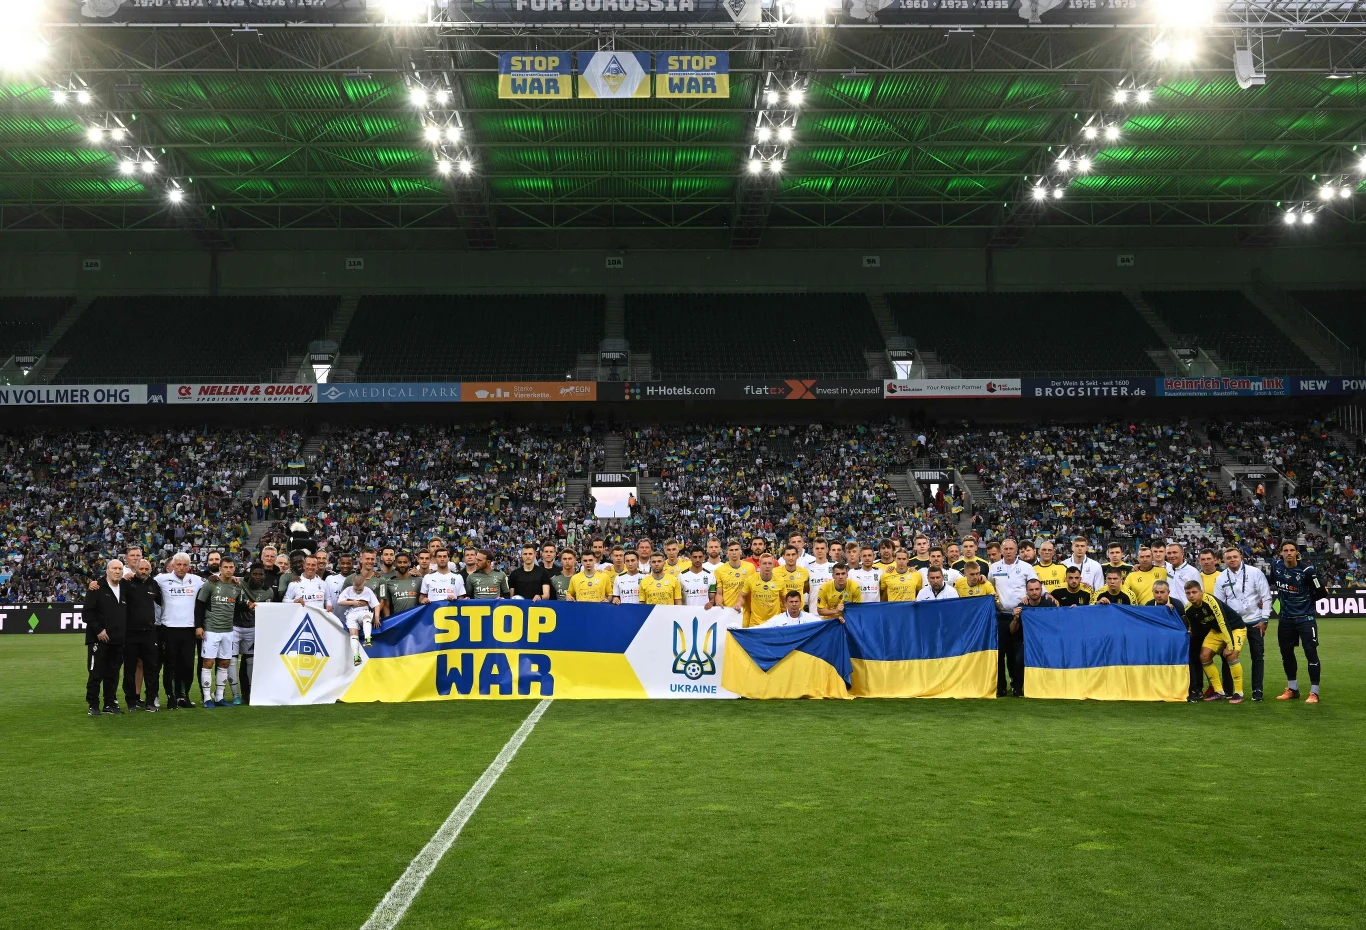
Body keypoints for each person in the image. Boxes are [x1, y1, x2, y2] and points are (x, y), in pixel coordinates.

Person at [1271, 541, 1325, 703]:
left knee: (1311, 653)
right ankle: (1292, 689)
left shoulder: (1308, 571)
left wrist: (1307, 602)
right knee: (1286, 654)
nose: (1288, 553)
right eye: (1285, 550)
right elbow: (1272, 583)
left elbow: (1322, 592)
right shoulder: (1277, 567)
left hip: (1305, 619)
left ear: (1297, 553)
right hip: (1285, 619)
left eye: (1292, 550)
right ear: (1280, 553)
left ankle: (1314, 692)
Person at [1218, 546, 1271, 701]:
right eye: (1229, 558)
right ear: (1224, 560)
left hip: (1254, 621)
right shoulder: (1221, 578)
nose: (1232, 560)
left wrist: (1265, 619)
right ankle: (1229, 690)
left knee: (1257, 656)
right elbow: (1219, 603)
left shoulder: (1255, 573)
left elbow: (1266, 597)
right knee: (1229, 655)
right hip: (1233, 624)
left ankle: (1257, 690)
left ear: (1241, 557)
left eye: (1235, 556)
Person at [154, 553, 204, 708]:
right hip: (169, 628)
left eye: (185, 565)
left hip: (189, 629)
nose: (182, 568)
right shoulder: (161, 579)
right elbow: (144, 583)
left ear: (189, 566)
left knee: (187, 665)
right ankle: (171, 697)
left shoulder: (196, 580)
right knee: (170, 665)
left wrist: (236, 579)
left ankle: (184, 696)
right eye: (179, 565)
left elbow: (214, 585)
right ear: (173, 566)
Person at [1182, 581, 1244, 704]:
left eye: (1194, 592)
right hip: (1216, 631)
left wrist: (1229, 645)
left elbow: (1223, 622)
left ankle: (1239, 692)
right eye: (1188, 593)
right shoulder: (1188, 609)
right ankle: (1219, 691)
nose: (1191, 595)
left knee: (1231, 655)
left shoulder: (1210, 601)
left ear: (1201, 592)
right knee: (1204, 656)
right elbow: (1194, 628)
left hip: (1235, 628)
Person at [195, 557, 243, 708]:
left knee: (224, 663)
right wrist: (198, 626)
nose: (228, 570)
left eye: (231, 567)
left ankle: (219, 697)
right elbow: (200, 604)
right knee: (208, 662)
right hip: (211, 629)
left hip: (228, 630)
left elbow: (239, 605)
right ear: (220, 568)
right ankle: (207, 698)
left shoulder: (237, 586)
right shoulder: (211, 583)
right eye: (226, 567)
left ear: (234, 568)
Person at [85, 559, 128, 716]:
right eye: (114, 568)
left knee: (113, 674)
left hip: (118, 640)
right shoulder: (96, 588)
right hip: (98, 639)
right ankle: (93, 705)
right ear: (107, 571)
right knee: (96, 673)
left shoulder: (124, 587)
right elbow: (87, 613)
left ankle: (110, 703)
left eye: (120, 569)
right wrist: (99, 630)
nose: (117, 571)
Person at [1000, 579, 1055, 697]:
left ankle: (1051, 686)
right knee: (1019, 658)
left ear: (1041, 590)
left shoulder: (1050, 605)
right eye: (1031, 590)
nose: (1034, 592)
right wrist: (1015, 618)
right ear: (1026, 591)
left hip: (1047, 641)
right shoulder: (1022, 607)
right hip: (1028, 642)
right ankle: (1017, 688)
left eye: (1037, 589)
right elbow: (1012, 630)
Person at [122, 559, 163, 712]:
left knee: (152, 668)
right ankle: (131, 701)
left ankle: (151, 701)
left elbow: (162, 601)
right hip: (130, 633)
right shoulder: (127, 582)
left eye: (147, 569)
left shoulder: (153, 584)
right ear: (136, 569)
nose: (144, 571)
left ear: (150, 570)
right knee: (130, 668)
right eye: (141, 569)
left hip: (150, 633)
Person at [238, 562, 274, 703]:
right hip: (236, 626)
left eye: (260, 574)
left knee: (249, 661)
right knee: (229, 661)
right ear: (249, 574)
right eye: (255, 574)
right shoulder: (239, 582)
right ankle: (229, 693)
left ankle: (248, 693)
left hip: (255, 628)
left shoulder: (268, 591)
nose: (258, 577)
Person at [336, 574, 381, 662]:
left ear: (364, 584)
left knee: (367, 617)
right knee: (353, 633)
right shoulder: (348, 590)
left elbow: (376, 604)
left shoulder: (368, 591)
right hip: (351, 613)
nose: (357, 591)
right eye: (355, 589)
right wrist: (354, 602)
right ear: (352, 584)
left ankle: (368, 638)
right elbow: (340, 602)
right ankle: (356, 656)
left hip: (363, 611)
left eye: (360, 589)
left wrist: (376, 617)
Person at [739, 554, 783, 627]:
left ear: (773, 565)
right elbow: (742, 596)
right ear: (759, 564)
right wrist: (738, 604)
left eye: (770, 563)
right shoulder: (750, 579)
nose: (767, 566)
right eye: (764, 563)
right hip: (756, 623)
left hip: (775, 623)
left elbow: (785, 600)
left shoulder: (780, 580)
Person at [712, 540, 753, 611]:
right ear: (727, 552)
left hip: (745, 611)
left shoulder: (750, 567)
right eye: (731, 550)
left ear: (741, 552)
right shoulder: (719, 570)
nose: (734, 553)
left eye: (736, 550)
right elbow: (719, 593)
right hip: (728, 610)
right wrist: (718, 603)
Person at [1164, 542, 1201, 610]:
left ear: (1182, 554)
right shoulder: (1166, 569)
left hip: (1187, 612)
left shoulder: (1193, 572)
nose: (1172, 555)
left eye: (1175, 552)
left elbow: (1199, 595)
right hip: (1169, 611)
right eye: (1169, 553)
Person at [385, 553, 423, 617]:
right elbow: (386, 606)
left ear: (409, 563)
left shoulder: (419, 580)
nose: (402, 565)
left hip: (415, 621)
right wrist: (388, 622)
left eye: (405, 562)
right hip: (398, 621)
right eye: (399, 562)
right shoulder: (389, 582)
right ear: (395, 564)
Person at [806, 537, 834, 615]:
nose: (820, 550)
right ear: (813, 550)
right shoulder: (807, 568)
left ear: (827, 549)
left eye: (822, 548)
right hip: (813, 613)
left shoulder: (834, 566)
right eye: (817, 548)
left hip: (832, 614)